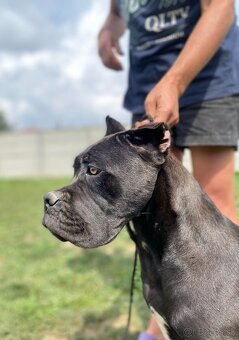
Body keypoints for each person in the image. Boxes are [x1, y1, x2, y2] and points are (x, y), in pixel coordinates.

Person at [98, 1, 239, 339]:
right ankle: (162, 325)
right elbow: (119, 12)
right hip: (146, 85)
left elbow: (220, 6)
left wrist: (175, 81)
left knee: (214, 200)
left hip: (207, 79)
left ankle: (226, 318)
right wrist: (109, 30)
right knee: (150, 215)